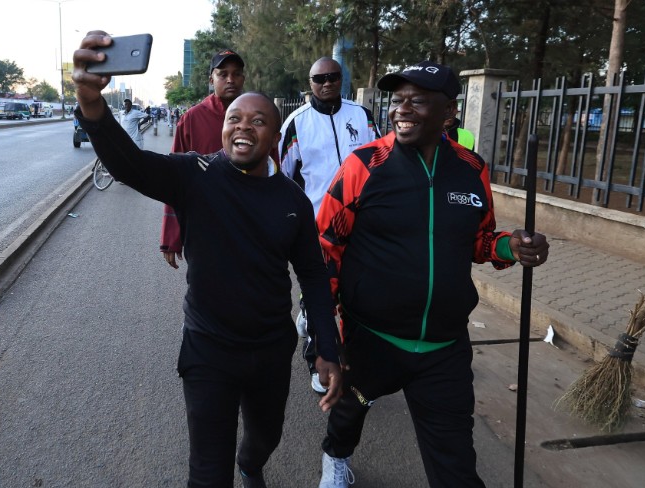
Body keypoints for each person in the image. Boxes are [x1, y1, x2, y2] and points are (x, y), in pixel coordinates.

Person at [73, 32, 343, 488]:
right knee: (206, 470)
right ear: (222, 126)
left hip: (270, 350)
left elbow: (314, 277)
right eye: (234, 118)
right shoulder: (195, 175)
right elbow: (129, 164)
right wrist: (89, 101)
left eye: (258, 121)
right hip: (208, 347)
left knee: (265, 439)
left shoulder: (293, 200)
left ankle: (251, 464)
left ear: (276, 136)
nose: (243, 126)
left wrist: (328, 352)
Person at [314, 61, 550, 488]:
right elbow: (326, 248)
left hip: (444, 347)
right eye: (397, 99)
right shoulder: (364, 165)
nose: (401, 109)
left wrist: (509, 246)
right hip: (372, 338)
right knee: (349, 411)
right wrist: (324, 336)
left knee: (456, 466)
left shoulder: (472, 169)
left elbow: (479, 241)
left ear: (448, 112)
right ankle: (336, 457)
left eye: (417, 100)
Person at [279, 56, 380, 394]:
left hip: (361, 226)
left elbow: (380, 163)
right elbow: (282, 177)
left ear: (341, 79)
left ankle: (354, 358)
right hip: (317, 228)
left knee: (357, 293)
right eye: (319, 78)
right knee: (320, 292)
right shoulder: (297, 123)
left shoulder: (361, 117)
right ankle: (316, 359)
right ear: (310, 83)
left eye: (333, 76)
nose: (326, 83)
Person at [159, 49, 246, 269]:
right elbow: (174, 179)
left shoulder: (255, 116)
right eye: (223, 74)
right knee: (206, 295)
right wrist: (171, 235)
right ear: (211, 79)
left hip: (248, 223)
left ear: (243, 78)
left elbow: (272, 171)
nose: (230, 79)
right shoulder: (191, 119)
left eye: (236, 74)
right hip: (203, 227)